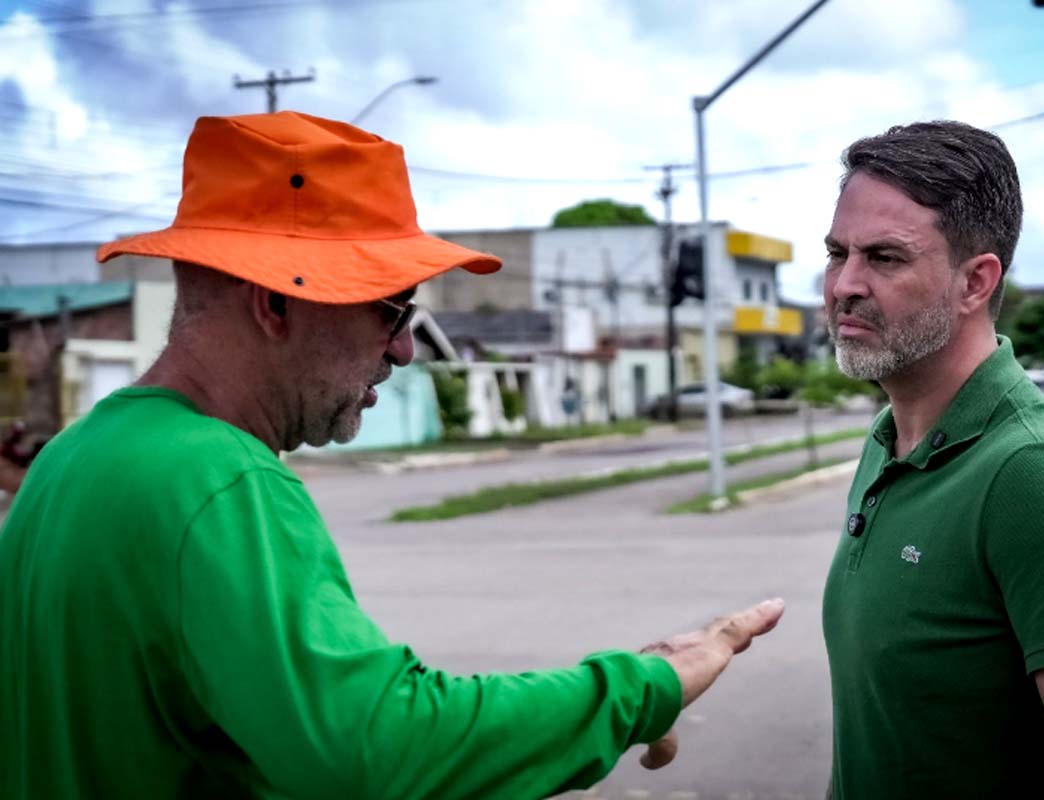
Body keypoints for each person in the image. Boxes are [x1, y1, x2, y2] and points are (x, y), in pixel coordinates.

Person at [0, 111, 785, 799]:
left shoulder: (77, 458)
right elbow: (376, 750)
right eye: (391, 309)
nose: (406, 349)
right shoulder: (220, 481)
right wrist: (641, 688)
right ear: (275, 301)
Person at [820, 120, 1044, 799]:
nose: (844, 286)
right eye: (838, 253)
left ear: (975, 282)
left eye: (885, 258)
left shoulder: (1038, 474)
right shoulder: (889, 443)